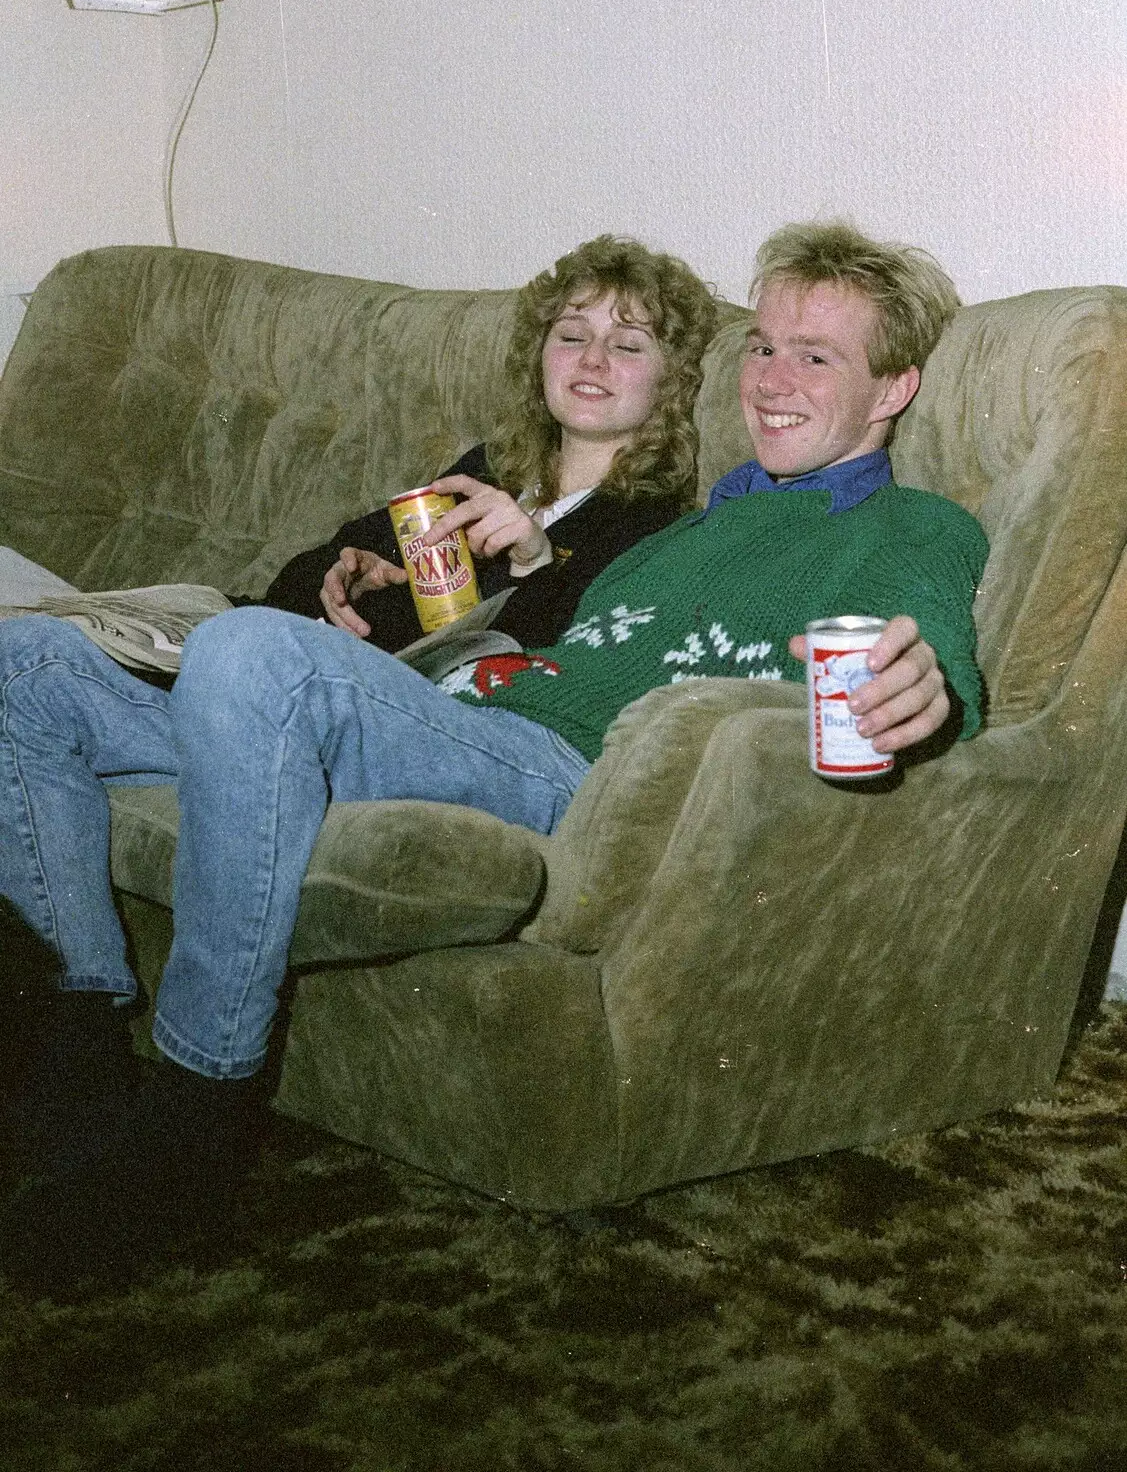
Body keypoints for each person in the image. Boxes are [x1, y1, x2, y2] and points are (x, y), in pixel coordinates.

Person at [0, 220, 987, 1295]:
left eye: (816, 355)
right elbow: (529, 639)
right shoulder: (685, 531)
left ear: (891, 387)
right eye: (761, 346)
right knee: (27, 660)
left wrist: (919, 687)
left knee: (250, 654)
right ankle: (81, 1044)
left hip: (554, 766)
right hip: (460, 708)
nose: (772, 378)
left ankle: (195, 1113)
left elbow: (925, 642)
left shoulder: (913, 524)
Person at [259, 233, 717, 653]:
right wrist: (342, 582)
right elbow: (289, 588)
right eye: (572, 336)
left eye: (627, 346)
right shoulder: (489, 469)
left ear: (671, 380)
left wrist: (535, 563)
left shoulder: (655, 531)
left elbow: (541, 678)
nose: (592, 359)